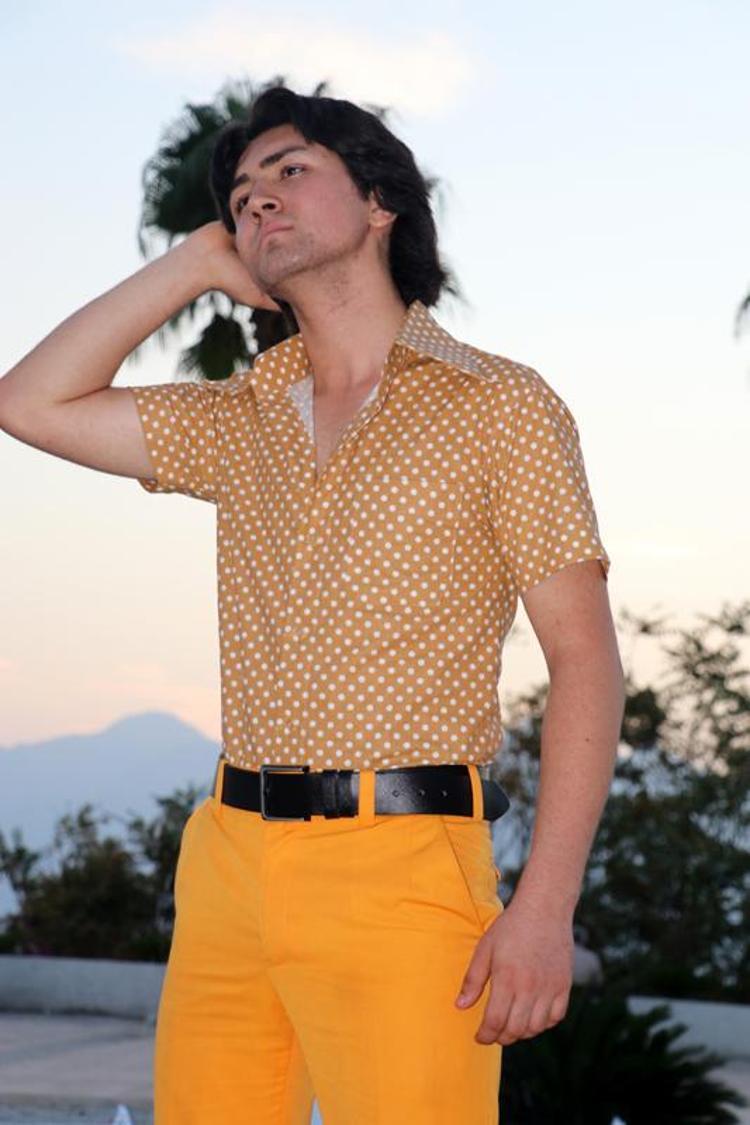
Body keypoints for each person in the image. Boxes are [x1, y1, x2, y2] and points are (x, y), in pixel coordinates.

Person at [0, 84, 625, 1124]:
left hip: (405, 867)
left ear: (379, 202)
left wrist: (545, 905)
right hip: (228, 862)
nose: (258, 199)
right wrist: (195, 263)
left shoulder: (499, 405)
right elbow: (29, 403)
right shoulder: (241, 417)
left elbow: (586, 661)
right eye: (242, 194)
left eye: (291, 171)